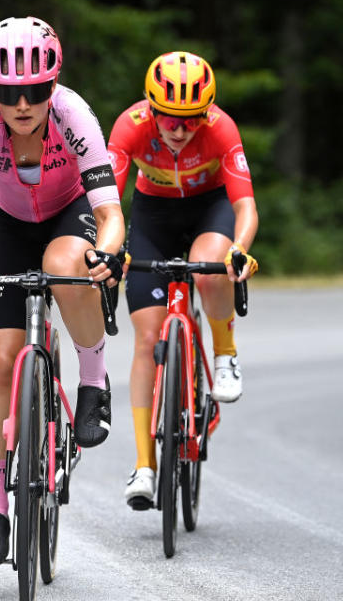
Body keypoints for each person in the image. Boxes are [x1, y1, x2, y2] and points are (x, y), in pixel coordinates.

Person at [0, 16, 125, 565]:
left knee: (65, 262)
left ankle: (93, 380)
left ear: (53, 85)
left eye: (35, 91)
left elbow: (110, 211)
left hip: (70, 213)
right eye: (8, 92)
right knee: (0, 363)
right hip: (7, 221)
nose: (22, 104)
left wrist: (108, 252)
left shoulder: (73, 114)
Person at [106, 51, 259, 509]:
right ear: (151, 109)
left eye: (191, 120)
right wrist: (106, 251)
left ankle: (225, 355)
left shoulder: (222, 129)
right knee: (145, 339)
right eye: (169, 118)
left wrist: (240, 249)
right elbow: (107, 202)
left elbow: (245, 206)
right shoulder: (129, 126)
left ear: (206, 112)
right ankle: (144, 466)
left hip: (208, 209)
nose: (179, 129)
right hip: (152, 218)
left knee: (209, 264)